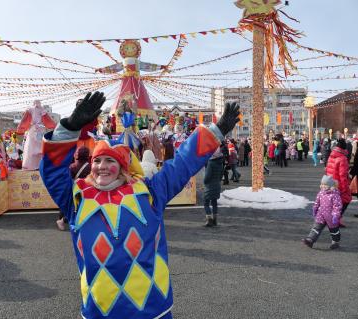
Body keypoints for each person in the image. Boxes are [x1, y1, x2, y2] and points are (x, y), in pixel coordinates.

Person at [40, 91, 239, 319]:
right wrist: (69, 127)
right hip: (99, 309)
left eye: (109, 160)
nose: (101, 166)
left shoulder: (150, 191)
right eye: (97, 160)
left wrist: (216, 131)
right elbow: (52, 171)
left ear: (123, 167)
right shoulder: (76, 197)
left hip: (150, 308)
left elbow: (182, 164)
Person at [302, 175, 342, 249]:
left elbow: (337, 206)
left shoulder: (334, 195)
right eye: (322, 184)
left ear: (330, 186)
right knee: (316, 228)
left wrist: (336, 215)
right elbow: (317, 201)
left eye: (325, 184)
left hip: (331, 216)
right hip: (321, 214)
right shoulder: (321, 193)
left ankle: (335, 242)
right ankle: (310, 240)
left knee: (334, 231)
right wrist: (315, 208)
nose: (323, 186)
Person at [56, 146, 91, 231]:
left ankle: (62, 219)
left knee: (71, 206)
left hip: (74, 189)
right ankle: (62, 220)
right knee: (80, 208)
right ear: (87, 155)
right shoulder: (90, 167)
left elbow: (67, 179)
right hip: (86, 190)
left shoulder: (72, 166)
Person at [325, 138, 351, 227]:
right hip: (339, 184)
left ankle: (334, 218)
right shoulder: (342, 158)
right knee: (346, 199)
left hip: (330, 183)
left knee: (335, 202)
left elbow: (327, 170)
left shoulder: (332, 155)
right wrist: (345, 187)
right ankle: (335, 218)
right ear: (344, 149)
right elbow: (342, 175)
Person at [203, 146, 224, 227]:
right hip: (217, 185)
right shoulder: (220, 163)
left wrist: (205, 182)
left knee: (206, 202)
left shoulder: (211, 163)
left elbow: (207, 176)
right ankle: (215, 219)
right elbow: (221, 175)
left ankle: (209, 220)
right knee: (214, 202)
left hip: (209, 186)